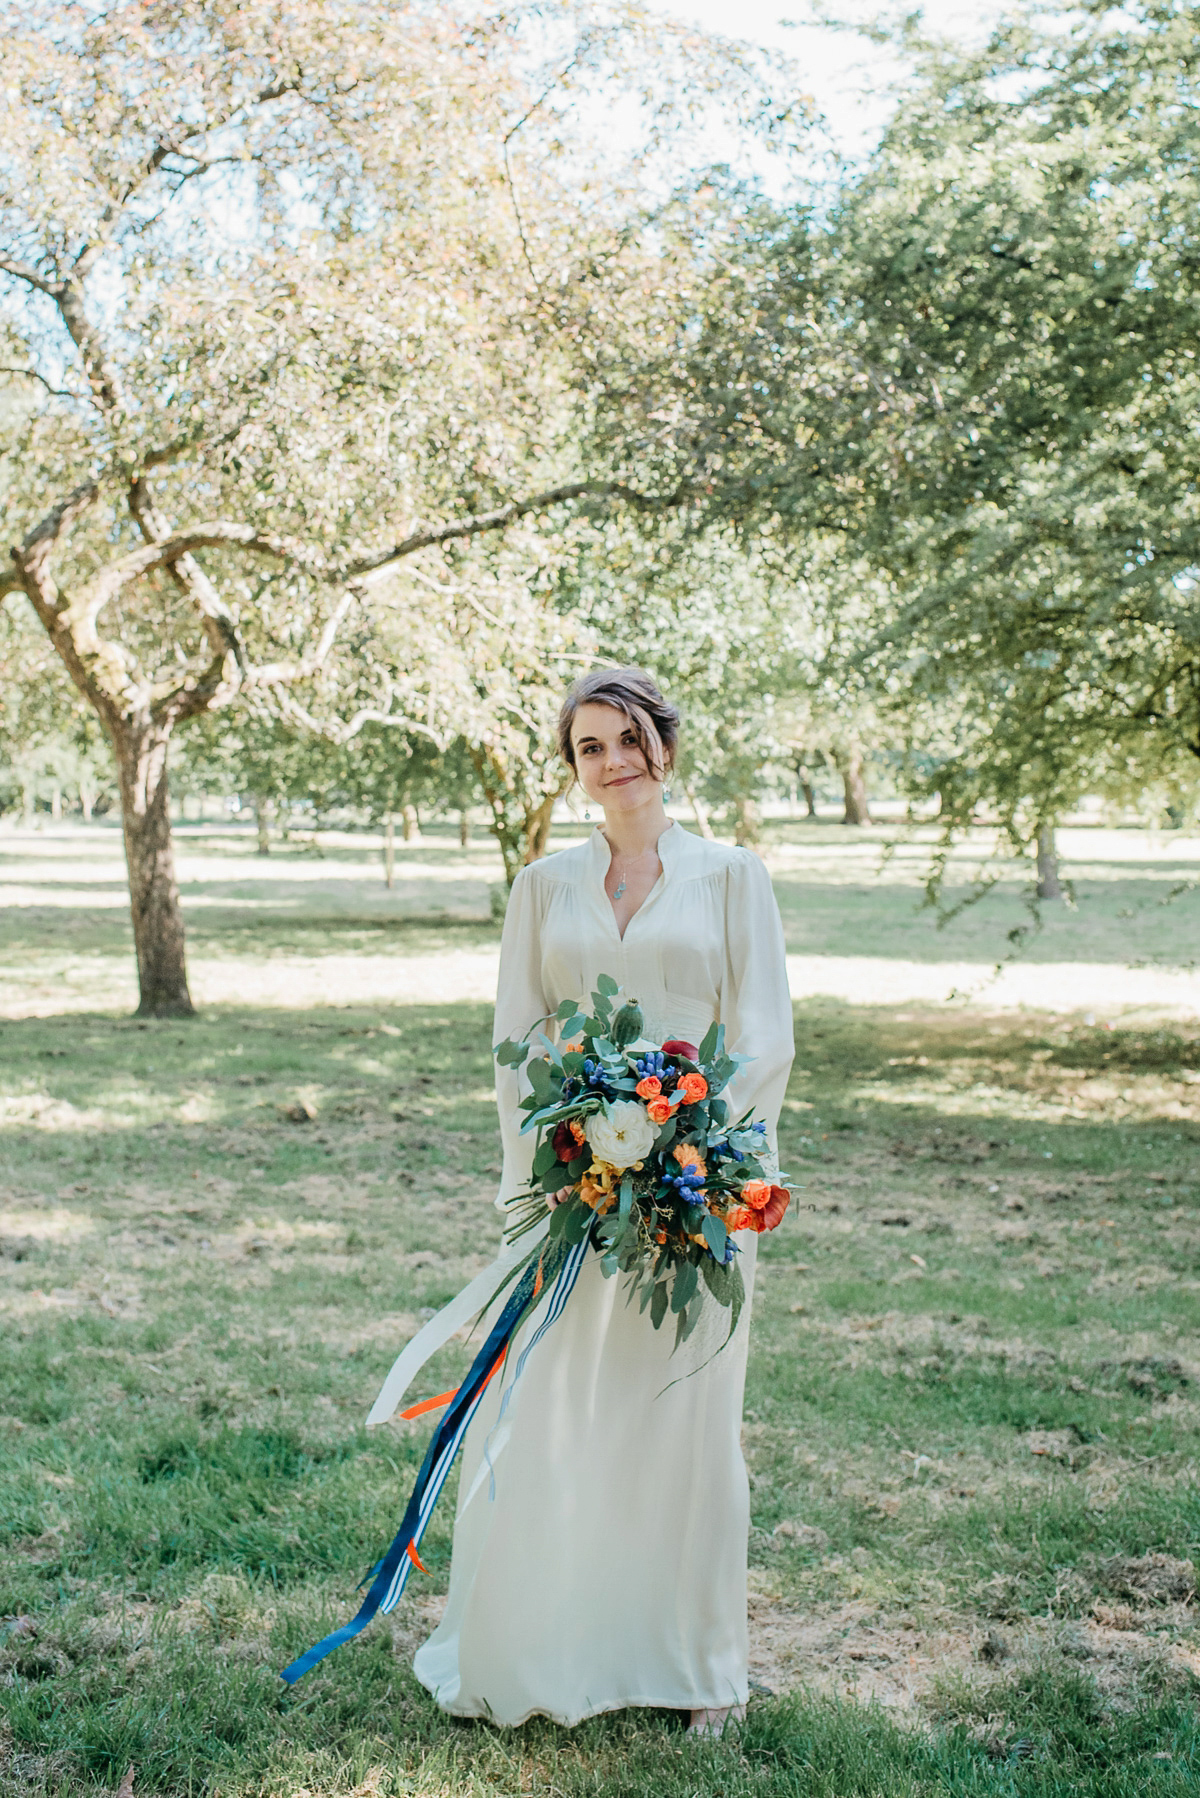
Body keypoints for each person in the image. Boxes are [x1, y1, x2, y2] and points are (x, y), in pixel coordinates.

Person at [412, 667, 794, 1732]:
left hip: (695, 1196)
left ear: (663, 746)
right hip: (576, 1193)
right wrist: (567, 1146)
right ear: (574, 767)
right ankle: (548, 1643)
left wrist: (696, 1145)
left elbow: (763, 1035)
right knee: (555, 1413)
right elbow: (518, 1040)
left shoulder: (732, 878)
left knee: (685, 1420)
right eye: (589, 745)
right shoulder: (543, 885)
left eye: (628, 737)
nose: (612, 759)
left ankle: (696, 1665)